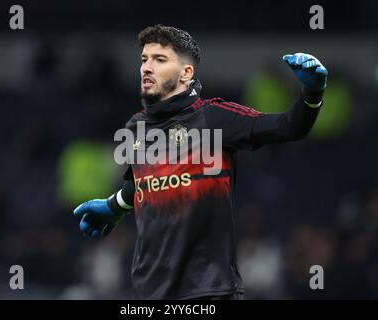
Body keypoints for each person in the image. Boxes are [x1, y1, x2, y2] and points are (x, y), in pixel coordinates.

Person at [73, 24, 328, 300]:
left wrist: (312, 96)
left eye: (159, 60)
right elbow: (144, 180)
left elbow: (287, 128)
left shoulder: (214, 118)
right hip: (149, 293)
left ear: (186, 73)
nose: (147, 68)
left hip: (209, 291)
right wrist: (114, 206)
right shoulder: (135, 127)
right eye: (144, 60)